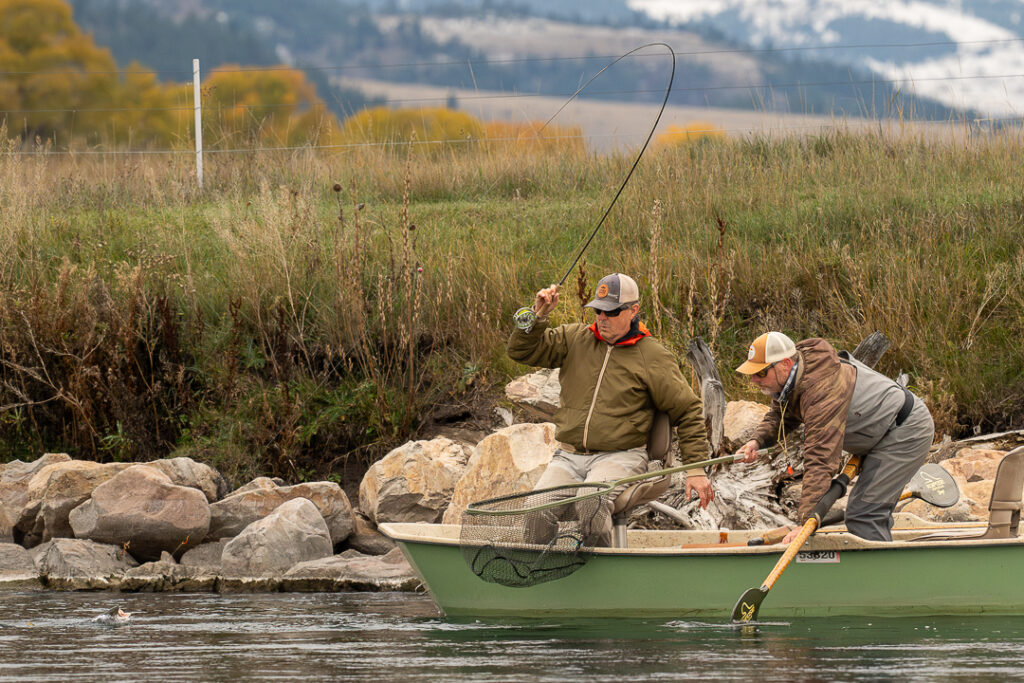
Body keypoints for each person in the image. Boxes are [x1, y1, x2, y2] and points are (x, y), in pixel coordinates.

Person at [507, 273, 712, 546]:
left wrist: (696, 470)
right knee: (536, 510)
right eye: (598, 310)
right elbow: (521, 352)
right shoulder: (574, 338)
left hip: (622, 456)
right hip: (568, 457)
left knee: (591, 504)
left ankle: (599, 572)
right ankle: (543, 574)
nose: (602, 318)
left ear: (633, 311)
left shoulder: (652, 355)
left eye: (611, 312)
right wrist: (537, 316)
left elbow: (687, 410)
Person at [735, 331, 934, 542]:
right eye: (752, 374)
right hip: (878, 433)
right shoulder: (794, 376)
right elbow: (781, 414)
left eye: (761, 373)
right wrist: (756, 441)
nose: (755, 380)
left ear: (784, 364)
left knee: (865, 515)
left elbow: (820, 458)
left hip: (905, 431)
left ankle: (876, 573)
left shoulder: (821, 391)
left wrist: (806, 522)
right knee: (862, 510)